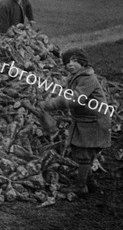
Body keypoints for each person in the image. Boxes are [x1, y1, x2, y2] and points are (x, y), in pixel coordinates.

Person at [39, 48, 111, 196]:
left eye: (74, 61)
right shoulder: (75, 77)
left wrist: (53, 104)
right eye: (66, 62)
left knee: (84, 152)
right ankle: (88, 182)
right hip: (85, 120)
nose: (70, 65)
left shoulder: (87, 78)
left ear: (83, 62)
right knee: (80, 150)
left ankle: (81, 186)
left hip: (95, 121)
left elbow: (77, 98)